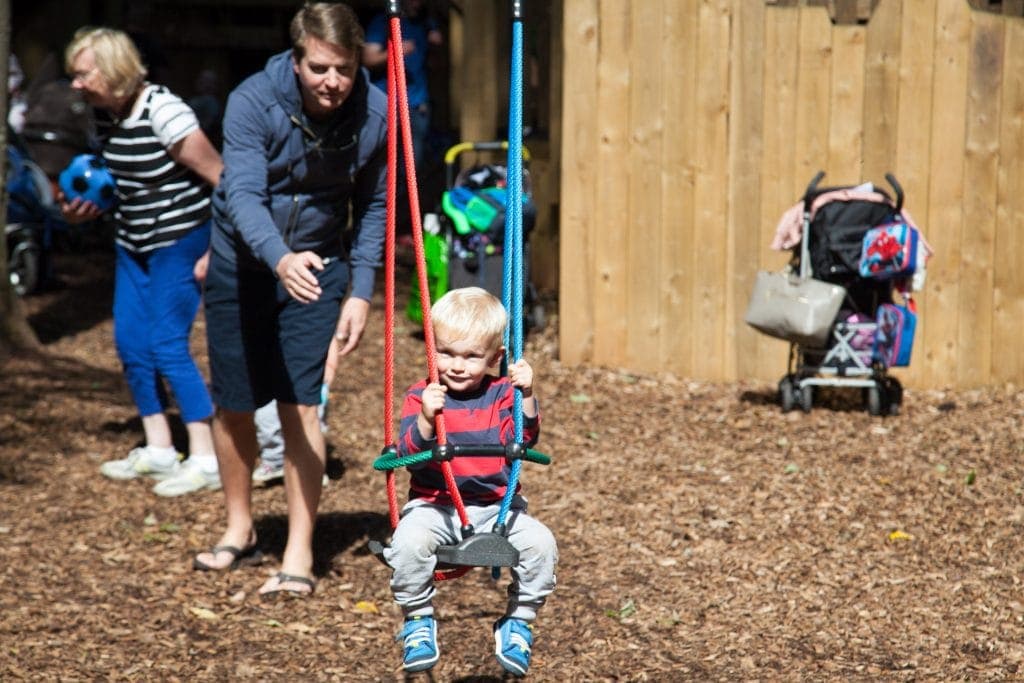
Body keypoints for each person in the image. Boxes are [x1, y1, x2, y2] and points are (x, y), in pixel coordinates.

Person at [193, 2, 388, 598]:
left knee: (300, 405)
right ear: (298, 56)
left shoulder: (375, 112)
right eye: (321, 68)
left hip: (318, 265)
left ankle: (299, 550)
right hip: (244, 264)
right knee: (232, 404)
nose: (333, 82)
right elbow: (244, 193)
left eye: (345, 70)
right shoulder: (254, 100)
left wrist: (361, 291)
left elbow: (376, 205)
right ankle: (241, 525)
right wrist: (278, 257)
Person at [60, 27, 224, 497]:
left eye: (82, 73)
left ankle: (206, 456)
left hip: (182, 239)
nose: (75, 83)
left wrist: (217, 250)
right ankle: (158, 448)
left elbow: (223, 179)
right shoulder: (104, 114)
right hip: (132, 239)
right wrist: (86, 208)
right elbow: (127, 184)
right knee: (131, 340)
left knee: (167, 342)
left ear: (112, 71)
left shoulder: (164, 112)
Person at [384, 287, 558, 676]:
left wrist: (527, 392)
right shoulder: (424, 394)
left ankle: (518, 622)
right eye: (446, 353)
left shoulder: (502, 394)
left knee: (542, 545)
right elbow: (411, 451)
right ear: (431, 349)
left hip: (498, 508)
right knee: (408, 543)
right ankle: (417, 621)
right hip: (436, 505)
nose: (457, 366)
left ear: (495, 358)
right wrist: (428, 417)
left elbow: (524, 438)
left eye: (471, 356)